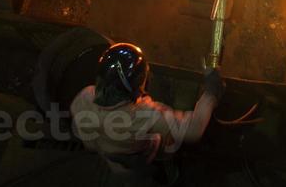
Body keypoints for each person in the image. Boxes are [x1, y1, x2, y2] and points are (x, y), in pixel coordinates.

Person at [70, 43, 222, 180]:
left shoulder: (84, 98)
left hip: (110, 158)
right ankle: (163, 173)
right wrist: (210, 94)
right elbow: (194, 130)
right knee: (167, 144)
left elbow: (83, 137)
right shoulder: (144, 116)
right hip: (137, 164)